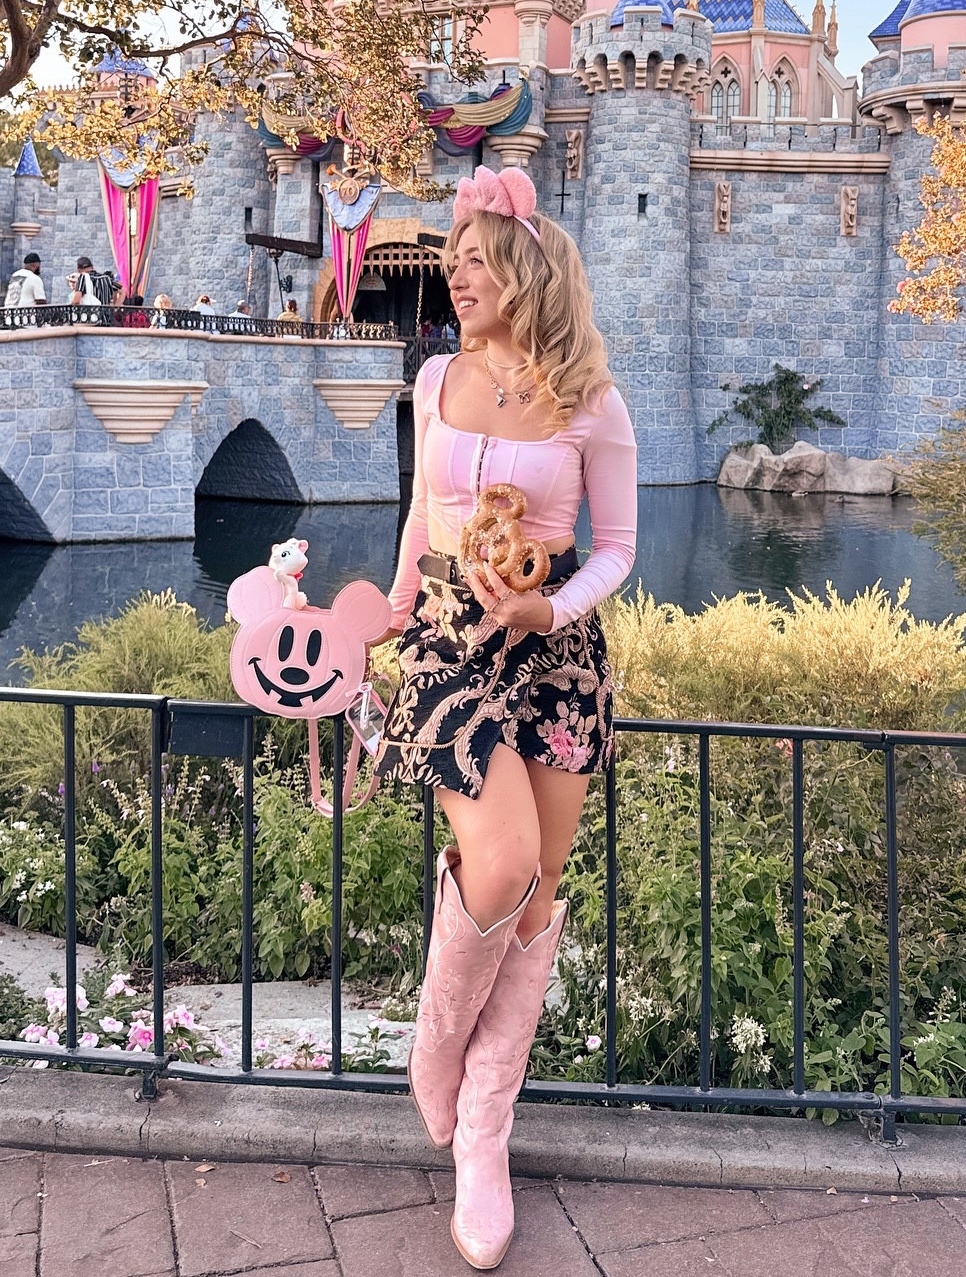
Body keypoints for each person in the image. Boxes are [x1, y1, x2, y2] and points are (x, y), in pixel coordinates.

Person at [374, 164, 636, 1270]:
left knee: (537, 903)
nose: (456, 277)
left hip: (558, 658)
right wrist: (380, 614)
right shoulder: (435, 378)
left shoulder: (593, 402)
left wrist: (548, 602)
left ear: (526, 268)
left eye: (475, 259)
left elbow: (617, 547)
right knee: (504, 858)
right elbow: (420, 513)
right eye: (453, 261)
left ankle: (484, 1132)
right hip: (444, 644)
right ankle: (436, 1057)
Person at [3, 252, 46, 321]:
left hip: (9, 317)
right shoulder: (35, 278)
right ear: (36, 264)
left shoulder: (14, 275)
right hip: (25, 319)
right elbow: (41, 301)